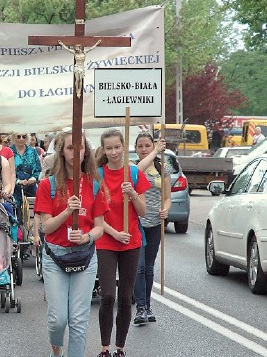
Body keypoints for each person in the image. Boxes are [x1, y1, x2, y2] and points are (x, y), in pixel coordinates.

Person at [34, 129, 108, 357]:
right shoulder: (48, 186)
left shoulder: (95, 184)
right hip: (55, 257)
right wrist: (67, 212)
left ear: (86, 151)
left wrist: (87, 237)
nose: (76, 153)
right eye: (70, 148)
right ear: (61, 152)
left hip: (85, 258)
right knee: (58, 320)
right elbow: (45, 228)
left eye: (81, 147)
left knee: (78, 320)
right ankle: (56, 347)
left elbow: (100, 226)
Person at [95, 129, 159, 357]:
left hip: (131, 241)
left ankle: (120, 348)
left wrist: (131, 193)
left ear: (124, 147)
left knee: (125, 297)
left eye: (117, 147)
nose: (113, 152)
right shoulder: (98, 175)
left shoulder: (133, 173)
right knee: (108, 295)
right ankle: (104, 347)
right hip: (107, 239)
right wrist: (114, 233)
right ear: (103, 150)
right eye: (109, 148)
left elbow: (143, 211)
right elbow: (96, 217)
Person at [132, 133, 171, 326]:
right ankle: (140, 308)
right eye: (140, 146)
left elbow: (167, 197)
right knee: (138, 267)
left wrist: (165, 210)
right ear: (135, 148)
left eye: (147, 145)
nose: (144, 149)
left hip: (155, 223)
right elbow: (139, 170)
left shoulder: (162, 169)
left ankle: (148, 306)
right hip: (136, 223)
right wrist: (156, 150)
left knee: (148, 267)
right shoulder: (132, 167)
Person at [10, 133, 41, 220]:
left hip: (31, 190)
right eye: (18, 136)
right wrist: (17, 181)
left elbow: (38, 169)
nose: (21, 139)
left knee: (33, 217)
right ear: (13, 137)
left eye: (24, 137)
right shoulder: (9, 151)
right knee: (16, 217)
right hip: (14, 190)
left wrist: (34, 178)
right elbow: (5, 172)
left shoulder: (32, 151)